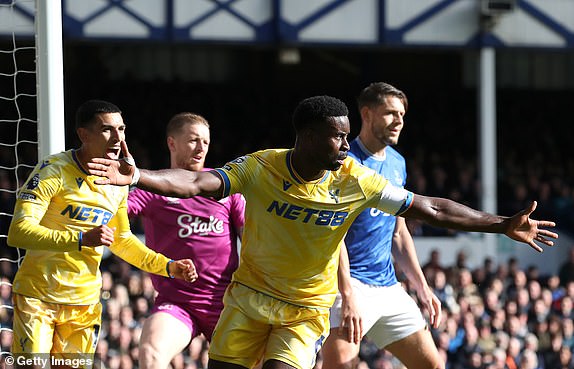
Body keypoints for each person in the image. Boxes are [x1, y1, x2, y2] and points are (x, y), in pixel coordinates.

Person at [88, 95, 557, 369]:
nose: (344, 145)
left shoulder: (355, 179)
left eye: (346, 134)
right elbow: (197, 181)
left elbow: (428, 206)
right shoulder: (261, 168)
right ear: (308, 137)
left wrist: (500, 224)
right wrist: (139, 176)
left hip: (304, 310)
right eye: (337, 136)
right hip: (247, 298)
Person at [7, 100, 196, 365]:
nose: (118, 138)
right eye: (108, 130)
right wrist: (80, 239)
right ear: (84, 135)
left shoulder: (116, 181)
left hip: (84, 304)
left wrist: (167, 266)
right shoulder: (53, 172)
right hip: (39, 298)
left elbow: (122, 240)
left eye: (122, 129)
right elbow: (18, 232)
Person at [320, 82, 443, 369]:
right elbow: (330, 233)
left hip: (388, 286)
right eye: (390, 113)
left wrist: (422, 287)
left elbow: (398, 232)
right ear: (367, 114)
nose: (399, 120)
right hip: (346, 285)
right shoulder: (343, 164)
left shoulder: (397, 163)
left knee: (432, 366)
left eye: (402, 114)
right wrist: (347, 293)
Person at [127, 113, 245, 369]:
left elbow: (253, 238)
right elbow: (115, 211)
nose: (201, 147)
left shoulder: (224, 185)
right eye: (193, 140)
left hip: (227, 303)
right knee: (151, 352)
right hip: (178, 302)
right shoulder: (155, 186)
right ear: (172, 143)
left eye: (205, 141)